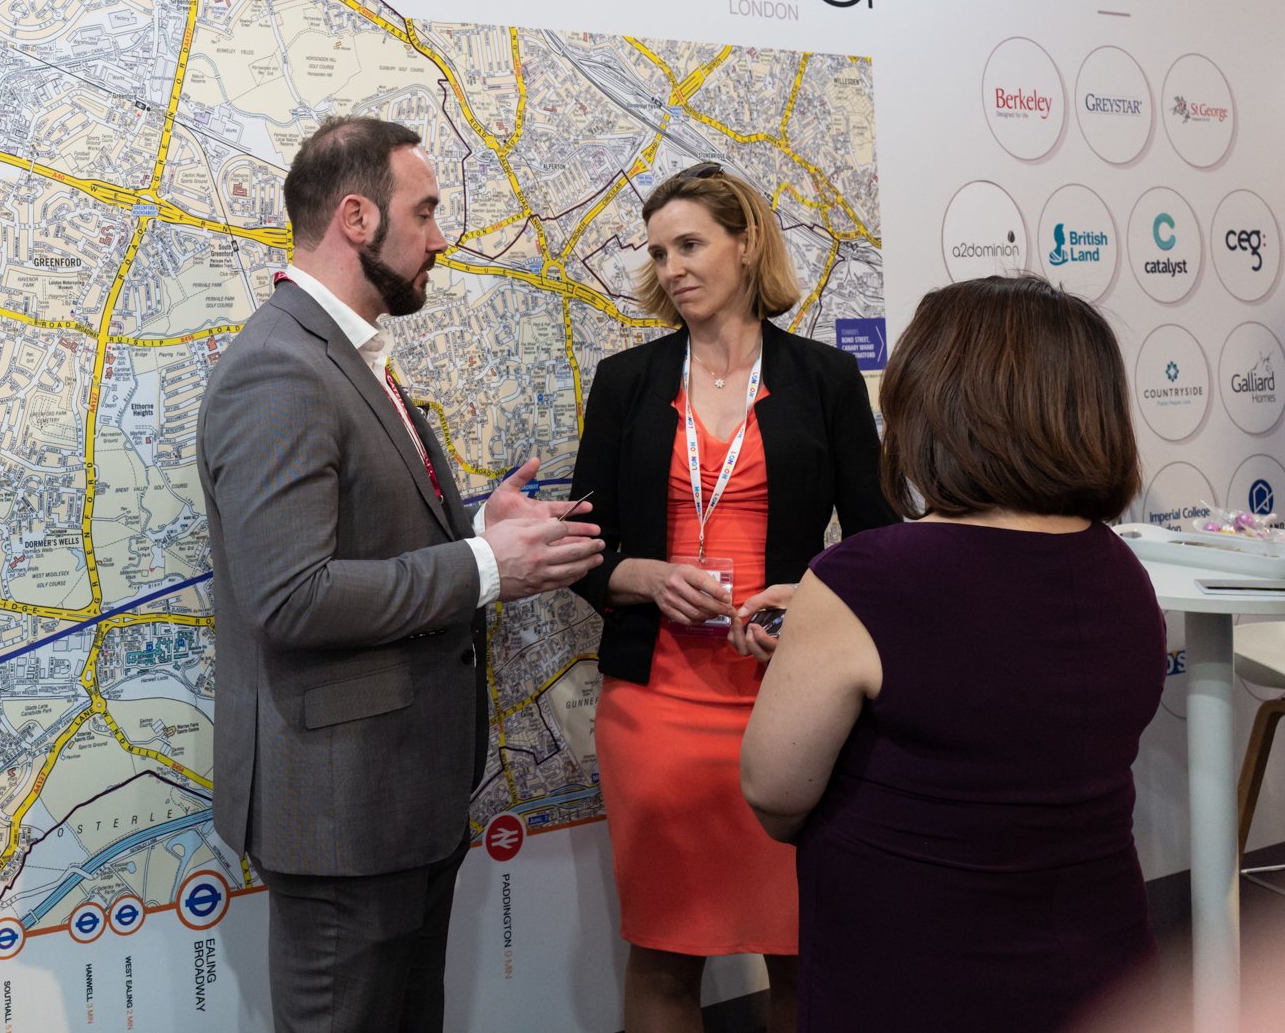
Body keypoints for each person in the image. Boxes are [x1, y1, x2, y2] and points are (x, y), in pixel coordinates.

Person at [198, 115, 607, 1033]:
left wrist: (479, 529)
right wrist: (484, 564)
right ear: (357, 217)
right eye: (424, 212)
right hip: (342, 813)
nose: (441, 236)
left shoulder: (345, 356)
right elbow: (290, 596)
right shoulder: (280, 369)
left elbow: (364, 542)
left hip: (399, 801)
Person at [740, 276, 1164, 1032]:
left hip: (911, 980)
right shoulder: (1122, 570)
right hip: (1108, 982)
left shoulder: (865, 578)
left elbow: (774, 793)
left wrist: (822, 635)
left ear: (934, 404)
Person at [568, 161, 896, 1033]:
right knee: (664, 952)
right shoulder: (626, 380)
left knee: (800, 948)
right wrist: (639, 576)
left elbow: (877, 542)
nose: (672, 268)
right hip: (656, 710)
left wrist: (809, 599)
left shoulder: (825, 377)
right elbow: (583, 547)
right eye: (658, 253)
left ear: (746, 244)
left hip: (791, 700)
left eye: (690, 244)